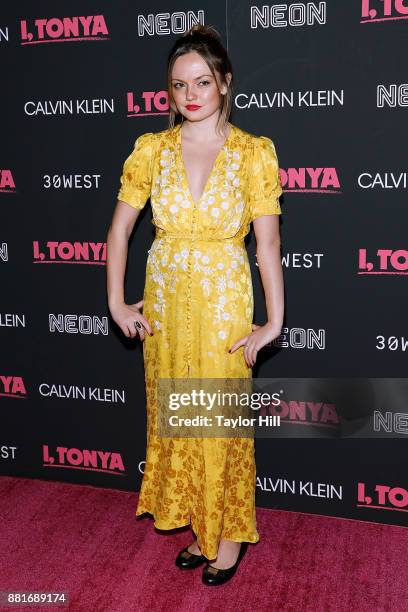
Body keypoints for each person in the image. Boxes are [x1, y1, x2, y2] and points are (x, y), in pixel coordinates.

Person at [106, 24, 284, 586]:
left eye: (202, 81)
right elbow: (119, 233)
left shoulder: (254, 153)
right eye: (179, 84)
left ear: (225, 83)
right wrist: (116, 302)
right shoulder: (150, 150)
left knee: (220, 423)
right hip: (165, 303)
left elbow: (268, 243)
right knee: (180, 420)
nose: (190, 94)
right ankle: (202, 528)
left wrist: (274, 320)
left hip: (225, 302)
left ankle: (228, 538)